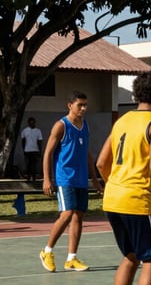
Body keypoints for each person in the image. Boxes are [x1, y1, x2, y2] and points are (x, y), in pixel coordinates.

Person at [96, 71, 151, 285]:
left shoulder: (122, 120)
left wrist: (115, 184)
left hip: (112, 199)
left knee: (131, 256)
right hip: (137, 200)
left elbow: (101, 162)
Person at [39, 91, 104, 273]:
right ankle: (47, 251)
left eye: (85, 105)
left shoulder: (85, 126)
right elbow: (48, 153)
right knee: (67, 214)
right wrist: (47, 179)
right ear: (70, 105)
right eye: (79, 105)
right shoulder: (61, 126)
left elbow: (87, 155)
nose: (83, 108)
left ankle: (71, 258)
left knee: (78, 216)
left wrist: (95, 180)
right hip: (65, 178)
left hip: (81, 179)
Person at [21, 117, 43, 182]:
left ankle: (33, 177)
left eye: (33, 122)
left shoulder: (38, 131)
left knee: (34, 165)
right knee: (28, 164)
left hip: (35, 150)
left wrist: (40, 150)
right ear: (28, 123)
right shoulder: (25, 131)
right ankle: (28, 177)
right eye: (31, 122)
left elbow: (40, 141)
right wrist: (24, 149)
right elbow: (23, 141)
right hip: (27, 150)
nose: (32, 124)